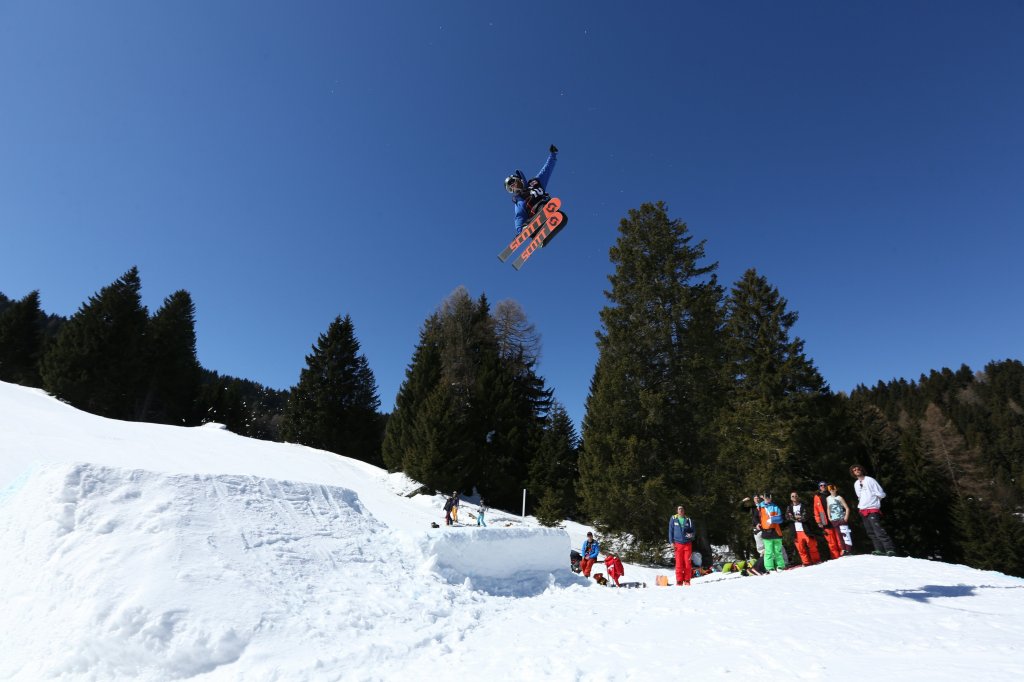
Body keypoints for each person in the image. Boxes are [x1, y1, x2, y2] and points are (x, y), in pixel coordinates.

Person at [504, 145, 559, 234]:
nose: (513, 188)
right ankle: (531, 231)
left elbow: (546, 170)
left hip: (546, 207)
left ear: (518, 179)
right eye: (510, 189)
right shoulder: (519, 200)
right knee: (540, 209)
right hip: (534, 216)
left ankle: (542, 232)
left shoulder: (535, 183)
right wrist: (519, 231)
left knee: (549, 209)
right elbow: (519, 216)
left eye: (512, 183)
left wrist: (553, 155)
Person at [850, 464, 896, 556]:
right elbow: (859, 496)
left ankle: (889, 549)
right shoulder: (856, 484)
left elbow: (881, 494)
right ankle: (879, 550)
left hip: (872, 509)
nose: (857, 471)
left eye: (858, 469)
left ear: (862, 470)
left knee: (878, 529)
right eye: (854, 470)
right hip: (863, 509)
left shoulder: (870, 480)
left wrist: (875, 500)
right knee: (870, 532)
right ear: (853, 473)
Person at [786, 492, 822, 566]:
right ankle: (806, 562)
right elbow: (788, 517)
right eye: (792, 496)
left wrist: (795, 518)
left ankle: (816, 560)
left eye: (796, 496)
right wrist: (798, 518)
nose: (794, 497)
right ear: (790, 498)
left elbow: (805, 517)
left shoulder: (803, 506)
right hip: (796, 531)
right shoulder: (789, 507)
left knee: (812, 546)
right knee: (801, 549)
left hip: (805, 530)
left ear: (798, 497)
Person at [812, 481, 843, 560]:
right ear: (819, 487)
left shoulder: (831, 494)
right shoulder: (817, 496)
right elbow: (816, 510)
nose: (823, 486)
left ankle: (843, 554)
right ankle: (835, 556)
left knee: (839, 537)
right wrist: (818, 521)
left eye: (824, 485)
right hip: (823, 517)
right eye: (821, 485)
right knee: (831, 540)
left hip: (834, 516)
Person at [757, 492, 786, 572]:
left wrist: (772, 519)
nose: (768, 498)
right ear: (763, 497)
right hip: (766, 532)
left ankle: (780, 566)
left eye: (769, 497)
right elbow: (755, 517)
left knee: (778, 551)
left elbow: (780, 519)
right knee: (768, 551)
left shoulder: (775, 507)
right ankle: (770, 568)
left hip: (776, 532)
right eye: (766, 497)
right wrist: (756, 524)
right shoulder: (760, 507)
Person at [667, 504, 696, 586]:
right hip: (677, 544)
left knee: (687, 563)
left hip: (687, 544)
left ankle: (687, 580)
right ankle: (679, 580)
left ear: (684, 511)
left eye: (682, 509)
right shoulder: (673, 519)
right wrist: (671, 542)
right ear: (677, 511)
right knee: (679, 563)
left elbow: (693, 531)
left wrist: (691, 535)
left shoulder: (688, 520)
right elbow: (670, 531)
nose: (680, 510)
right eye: (679, 509)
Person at [826, 484, 854, 554]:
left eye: (833, 489)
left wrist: (846, 518)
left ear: (836, 489)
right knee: (839, 535)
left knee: (845, 534)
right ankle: (844, 549)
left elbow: (847, 508)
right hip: (834, 520)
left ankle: (849, 550)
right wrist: (829, 517)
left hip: (841, 519)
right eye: (830, 489)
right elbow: (828, 508)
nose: (832, 490)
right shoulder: (828, 498)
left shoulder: (839, 498)